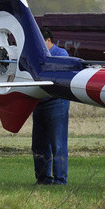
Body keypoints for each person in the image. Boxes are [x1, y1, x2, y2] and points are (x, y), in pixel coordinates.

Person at [32, 29, 70, 185]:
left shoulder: (61, 55)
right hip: (38, 102)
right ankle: (43, 178)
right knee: (39, 144)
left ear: (48, 41)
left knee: (58, 143)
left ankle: (60, 179)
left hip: (56, 103)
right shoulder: (35, 55)